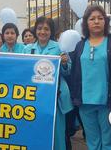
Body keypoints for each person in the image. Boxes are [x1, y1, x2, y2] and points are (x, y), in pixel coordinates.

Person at [69, 4, 111, 150]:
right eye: (92, 19)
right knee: (93, 142)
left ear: (106, 21)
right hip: (85, 103)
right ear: (86, 23)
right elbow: (74, 73)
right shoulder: (79, 45)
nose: (96, 21)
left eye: (100, 18)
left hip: (109, 103)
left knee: (110, 143)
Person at [23, 16, 73, 150]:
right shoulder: (27, 49)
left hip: (56, 97)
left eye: (46, 29)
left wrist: (63, 63)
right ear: (35, 30)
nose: (42, 32)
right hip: (34, 97)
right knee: (36, 131)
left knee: (57, 134)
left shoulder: (59, 47)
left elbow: (68, 71)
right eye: (39, 28)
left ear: (51, 31)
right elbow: (22, 71)